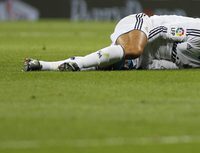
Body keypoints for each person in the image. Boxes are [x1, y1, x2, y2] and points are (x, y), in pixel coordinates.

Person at [24, 13, 200, 72]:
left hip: (148, 55)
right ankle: (79, 63)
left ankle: (43, 65)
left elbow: (174, 65)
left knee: (105, 66)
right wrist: (134, 49)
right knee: (133, 49)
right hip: (142, 26)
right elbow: (160, 31)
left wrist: (142, 64)